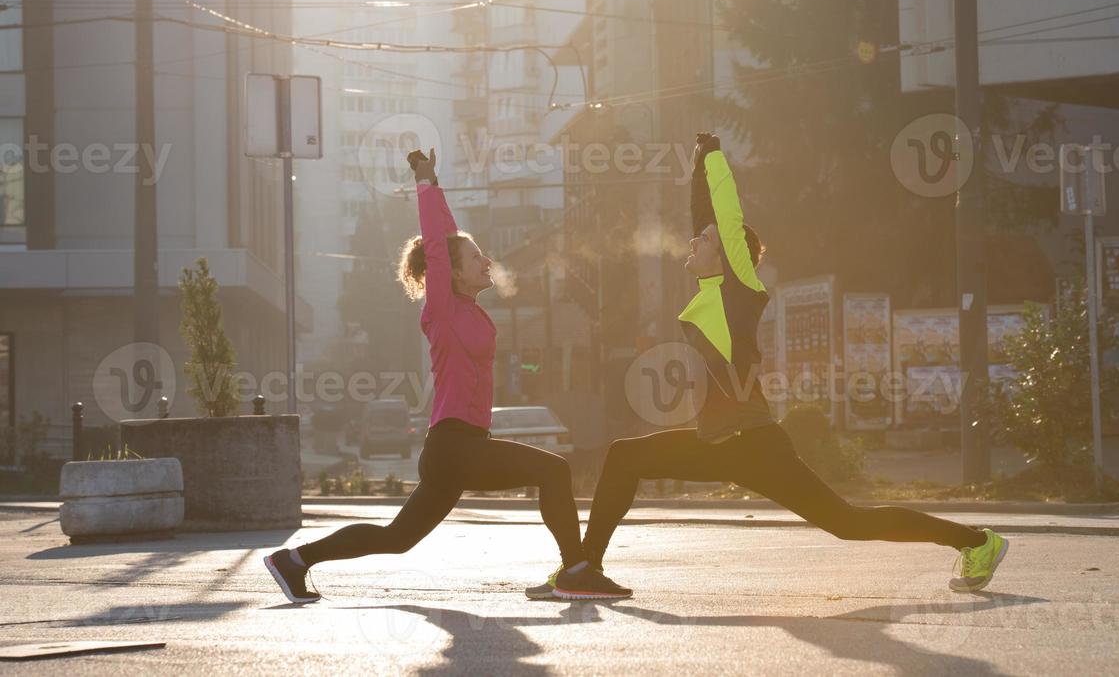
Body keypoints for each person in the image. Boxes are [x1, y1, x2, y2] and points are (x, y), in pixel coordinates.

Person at [533, 133, 1007, 598]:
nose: (691, 243)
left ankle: (976, 542)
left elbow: (725, 216)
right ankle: (583, 567)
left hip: (754, 444)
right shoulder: (712, 292)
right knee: (624, 456)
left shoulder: (740, 291)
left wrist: (715, 157)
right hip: (720, 442)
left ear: (730, 253)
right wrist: (697, 167)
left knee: (847, 523)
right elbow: (707, 217)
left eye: (703, 240)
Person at [265, 147, 627, 603]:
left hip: (460, 447)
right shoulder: (442, 309)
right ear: (450, 272)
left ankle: (292, 561)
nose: (487, 262)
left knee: (396, 538)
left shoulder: (471, 312)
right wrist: (426, 180)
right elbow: (439, 240)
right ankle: (576, 570)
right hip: (456, 445)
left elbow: (450, 251)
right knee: (554, 471)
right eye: (476, 257)